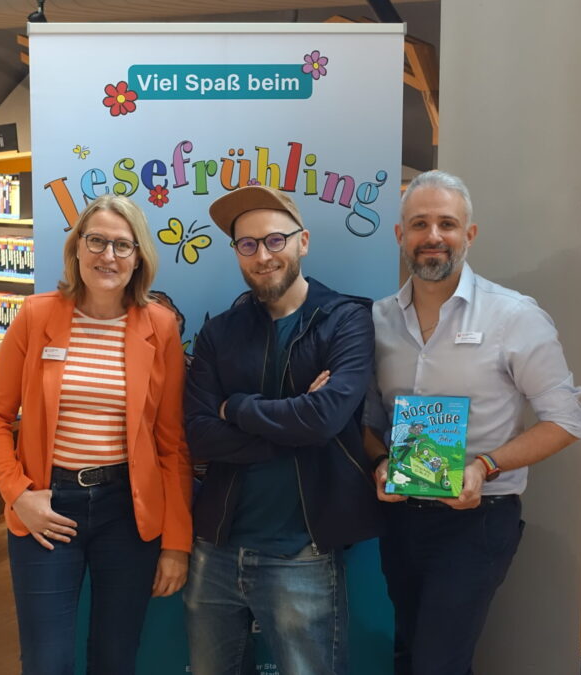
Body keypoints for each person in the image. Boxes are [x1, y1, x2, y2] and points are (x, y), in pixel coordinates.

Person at [363, 170, 581, 675]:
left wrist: (484, 465)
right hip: (398, 518)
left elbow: (567, 420)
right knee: (405, 651)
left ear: (470, 234)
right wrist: (379, 461)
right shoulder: (376, 321)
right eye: (419, 224)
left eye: (447, 223)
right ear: (402, 236)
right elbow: (368, 420)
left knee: (439, 662)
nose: (433, 236)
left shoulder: (514, 316)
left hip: (478, 518)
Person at [0, 193, 193, 675]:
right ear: (77, 248)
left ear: (138, 259)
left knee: (115, 660)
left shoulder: (160, 327)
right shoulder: (36, 316)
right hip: (48, 508)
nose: (107, 256)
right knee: (47, 661)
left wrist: (176, 543)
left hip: (127, 511)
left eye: (122, 245)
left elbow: (171, 442)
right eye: (96, 241)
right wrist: (19, 496)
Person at [183, 185, 382, 675]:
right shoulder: (220, 332)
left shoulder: (347, 320)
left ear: (303, 242)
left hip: (303, 553)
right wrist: (293, 418)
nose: (262, 256)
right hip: (215, 550)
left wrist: (240, 407)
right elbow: (200, 435)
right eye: (247, 245)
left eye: (275, 240)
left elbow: (325, 419)